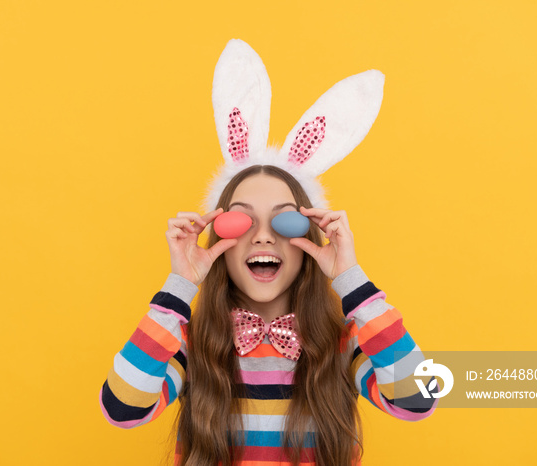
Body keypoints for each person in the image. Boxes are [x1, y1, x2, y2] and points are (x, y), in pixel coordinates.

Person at [100, 40, 438, 466]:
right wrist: (180, 286)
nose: (262, 237)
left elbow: (419, 398)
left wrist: (350, 277)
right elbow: (122, 407)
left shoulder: (343, 343)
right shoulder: (190, 343)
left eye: (284, 220)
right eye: (242, 220)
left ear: (309, 240)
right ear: (219, 239)